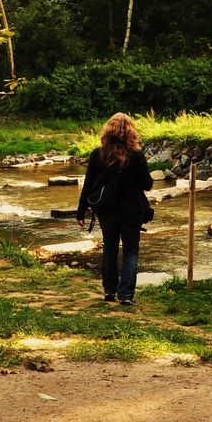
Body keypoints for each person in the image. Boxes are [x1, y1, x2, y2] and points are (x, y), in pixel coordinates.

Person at [76, 113, 153, 305]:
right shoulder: (136, 156)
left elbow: (88, 185)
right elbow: (147, 184)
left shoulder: (98, 154)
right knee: (130, 251)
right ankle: (126, 295)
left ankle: (109, 291)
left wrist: (81, 210)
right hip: (132, 210)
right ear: (131, 132)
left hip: (106, 209)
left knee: (109, 248)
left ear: (108, 131)